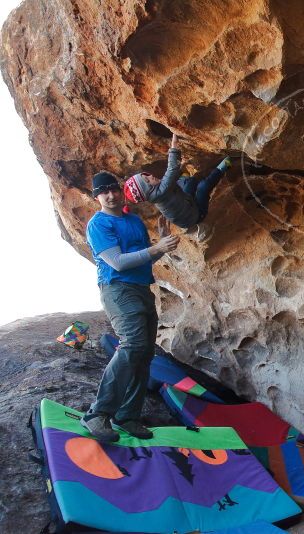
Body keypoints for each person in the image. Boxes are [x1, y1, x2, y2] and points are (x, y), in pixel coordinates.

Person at [80, 171, 179, 442]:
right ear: (96, 196)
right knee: (133, 345)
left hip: (142, 289)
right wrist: (158, 247)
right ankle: (97, 415)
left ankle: (127, 416)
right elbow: (119, 262)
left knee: (144, 353)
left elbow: (144, 259)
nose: (111, 195)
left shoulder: (134, 221)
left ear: (121, 190)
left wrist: (162, 244)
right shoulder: (98, 224)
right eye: (104, 192)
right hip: (117, 289)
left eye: (114, 189)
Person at [123, 133, 231, 229]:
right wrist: (174, 146)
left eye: (146, 175)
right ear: (148, 190)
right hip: (196, 215)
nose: (151, 176)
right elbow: (172, 169)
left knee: (190, 182)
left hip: (186, 203)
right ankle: (226, 164)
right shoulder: (162, 191)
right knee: (203, 187)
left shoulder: (155, 194)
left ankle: (183, 178)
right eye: (147, 180)